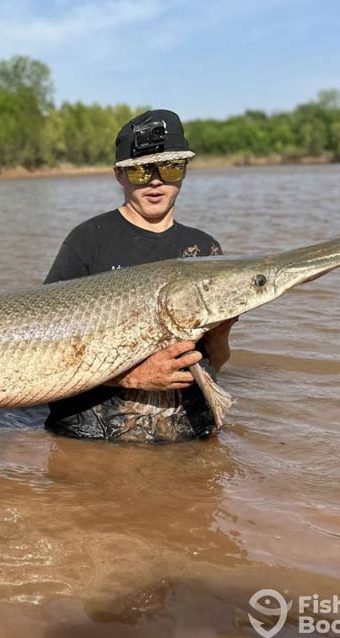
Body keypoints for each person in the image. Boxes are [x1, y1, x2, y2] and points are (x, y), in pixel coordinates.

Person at [43, 109, 236, 442]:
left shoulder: (204, 250)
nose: (157, 180)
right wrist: (133, 376)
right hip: (94, 436)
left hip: (184, 436)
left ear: (185, 170)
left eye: (170, 166)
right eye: (141, 171)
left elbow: (214, 362)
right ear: (119, 175)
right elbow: (49, 351)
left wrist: (222, 332)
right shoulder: (88, 240)